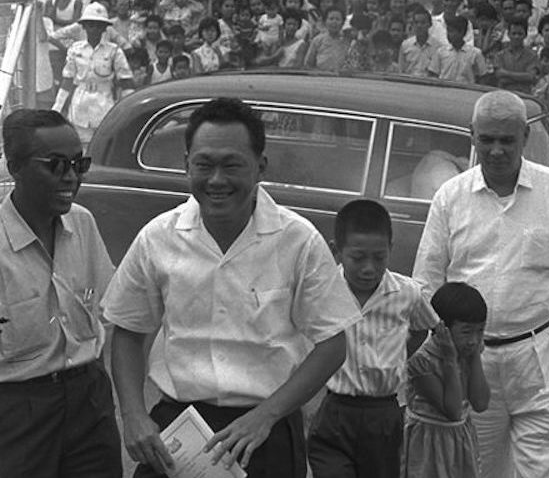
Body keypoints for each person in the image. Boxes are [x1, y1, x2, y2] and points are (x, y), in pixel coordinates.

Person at [102, 98, 362, 478]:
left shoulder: (298, 240)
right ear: (186, 164)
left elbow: (333, 344)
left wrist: (265, 415)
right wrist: (133, 414)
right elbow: (127, 330)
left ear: (260, 167)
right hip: (178, 431)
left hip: (264, 434)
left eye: (232, 165)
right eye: (204, 165)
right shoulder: (157, 238)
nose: (217, 180)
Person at [413, 90, 549, 478]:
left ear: (525, 137)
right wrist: (429, 357)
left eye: (507, 140)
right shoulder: (450, 198)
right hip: (473, 361)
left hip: (545, 359)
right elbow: (427, 283)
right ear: (472, 136)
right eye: (487, 139)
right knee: (473, 468)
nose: (497, 150)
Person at [0, 109, 121, 477]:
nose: (70, 177)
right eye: (54, 165)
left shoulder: (82, 223)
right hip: (19, 408)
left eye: (78, 164)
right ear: (15, 167)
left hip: (89, 399)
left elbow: (106, 306)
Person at [307, 200, 438, 478]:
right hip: (335, 411)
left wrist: (396, 356)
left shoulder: (408, 293)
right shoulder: (323, 291)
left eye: (379, 258)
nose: (368, 268)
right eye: (358, 258)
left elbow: (423, 327)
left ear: (391, 249)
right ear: (336, 251)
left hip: (383, 413)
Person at [401, 283, 490, 478]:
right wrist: (450, 360)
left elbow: (481, 403)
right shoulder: (421, 361)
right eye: (466, 332)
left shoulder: (469, 352)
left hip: (460, 440)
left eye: (480, 331)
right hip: (428, 442)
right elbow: (453, 410)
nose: (474, 340)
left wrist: (474, 357)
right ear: (442, 329)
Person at [52, 3, 135, 145]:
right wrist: (57, 109)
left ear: (104, 28)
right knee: (80, 144)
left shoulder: (114, 51)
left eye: (99, 25)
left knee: (101, 144)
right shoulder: (75, 49)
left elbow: (126, 82)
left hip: (104, 103)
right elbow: (67, 81)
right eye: (90, 25)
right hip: (80, 103)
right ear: (84, 26)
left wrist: (130, 110)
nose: (94, 29)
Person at [427, 16, 488, 84]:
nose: (448, 35)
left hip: (466, 91)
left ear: (461, 32)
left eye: (452, 31)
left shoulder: (475, 53)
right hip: (444, 90)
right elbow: (433, 74)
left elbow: (482, 77)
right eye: (448, 31)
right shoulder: (440, 52)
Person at [493, 18, 538, 93]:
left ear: (525, 35)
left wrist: (506, 73)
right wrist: (522, 78)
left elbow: (530, 77)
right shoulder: (500, 55)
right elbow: (499, 77)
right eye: (514, 33)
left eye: (520, 34)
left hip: (525, 96)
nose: (516, 37)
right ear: (508, 34)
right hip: (504, 94)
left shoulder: (532, 56)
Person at [304, 6, 348, 72]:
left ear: (343, 23)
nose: (334, 22)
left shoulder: (347, 40)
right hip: (321, 77)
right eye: (331, 19)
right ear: (325, 21)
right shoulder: (317, 40)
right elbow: (308, 64)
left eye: (337, 19)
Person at [399, 8, 439, 77]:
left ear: (430, 24)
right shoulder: (405, 45)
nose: (419, 26)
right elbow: (401, 70)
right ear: (412, 24)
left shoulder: (437, 47)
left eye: (423, 22)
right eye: (416, 22)